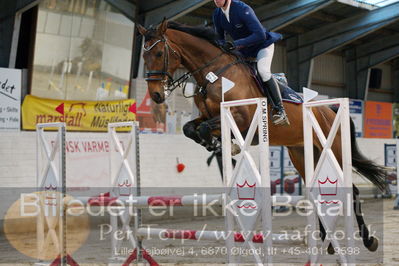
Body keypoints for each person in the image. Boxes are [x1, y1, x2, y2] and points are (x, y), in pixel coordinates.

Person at [213, 0, 289, 126]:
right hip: (244, 50)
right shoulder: (217, 14)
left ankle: (279, 109)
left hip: (263, 46)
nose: (216, 0)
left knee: (263, 71)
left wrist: (235, 44)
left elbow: (260, 35)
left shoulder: (242, 8)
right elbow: (219, 38)